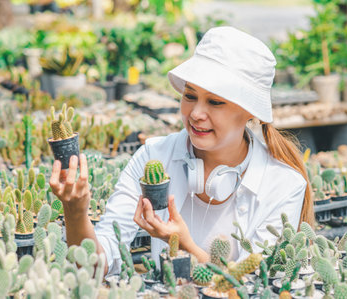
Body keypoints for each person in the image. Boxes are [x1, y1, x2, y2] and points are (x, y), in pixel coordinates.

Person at [49, 26, 314, 276]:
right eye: (190, 96)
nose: (196, 114)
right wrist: (75, 211)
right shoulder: (154, 157)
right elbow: (94, 266)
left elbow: (257, 287)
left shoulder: (283, 184)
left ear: (250, 112)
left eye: (214, 101)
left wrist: (185, 245)